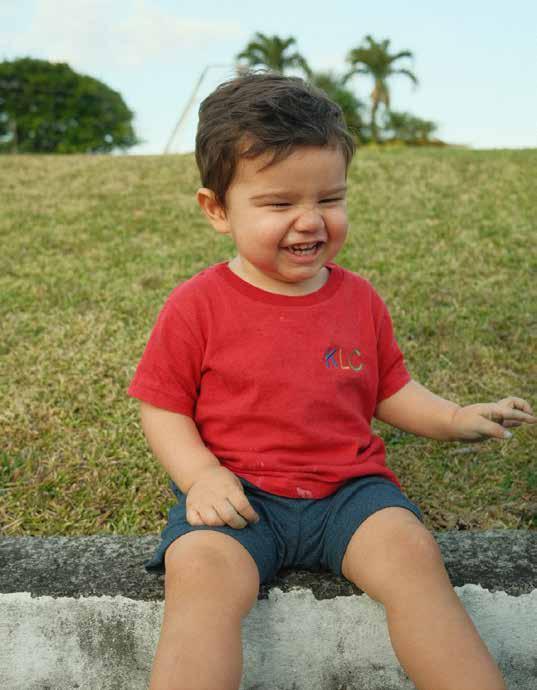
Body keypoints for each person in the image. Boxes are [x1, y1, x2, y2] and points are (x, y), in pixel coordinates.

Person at [128, 72, 535, 690]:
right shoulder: (196, 306)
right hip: (238, 496)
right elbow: (163, 406)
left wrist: (454, 418)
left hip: (350, 493)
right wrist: (201, 476)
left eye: (329, 199)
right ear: (217, 210)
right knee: (200, 577)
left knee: (413, 556)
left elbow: (389, 388)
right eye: (279, 204)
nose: (310, 221)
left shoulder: (358, 299)